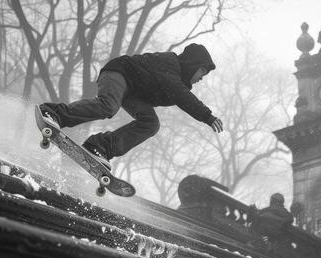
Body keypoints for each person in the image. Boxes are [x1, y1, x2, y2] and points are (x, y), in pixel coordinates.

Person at [38, 43, 224, 170]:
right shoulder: (170, 64)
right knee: (108, 106)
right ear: (193, 65)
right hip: (120, 73)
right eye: (202, 72)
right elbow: (181, 94)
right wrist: (207, 116)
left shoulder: (178, 83)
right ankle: (54, 113)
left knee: (151, 124)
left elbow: (180, 93)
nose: (201, 78)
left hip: (133, 93)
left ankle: (99, 147)